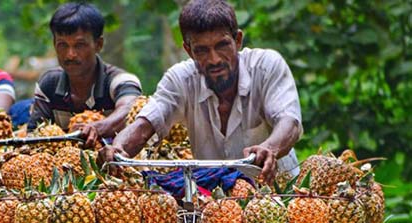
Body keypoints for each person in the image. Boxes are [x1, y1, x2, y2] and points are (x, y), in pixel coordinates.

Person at [99, 0, 302, 184]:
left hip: (276, 193)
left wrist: (270, 148)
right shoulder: (180, 79)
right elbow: (144, 126)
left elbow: (289, 122)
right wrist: (118, 149)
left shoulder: (266, 67)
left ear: (238, 40)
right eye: (202, 50)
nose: (214, 60)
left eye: (222, 45)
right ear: (188, 50)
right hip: (215, 204)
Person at [27, 2, 142, 148]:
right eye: (63, 45)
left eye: (79, 45)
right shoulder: (49, 84)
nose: (70, 55)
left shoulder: (120, 81)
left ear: (98, 44)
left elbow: (130, 109)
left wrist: (98, 127)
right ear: (54, 44)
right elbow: (34, 135)